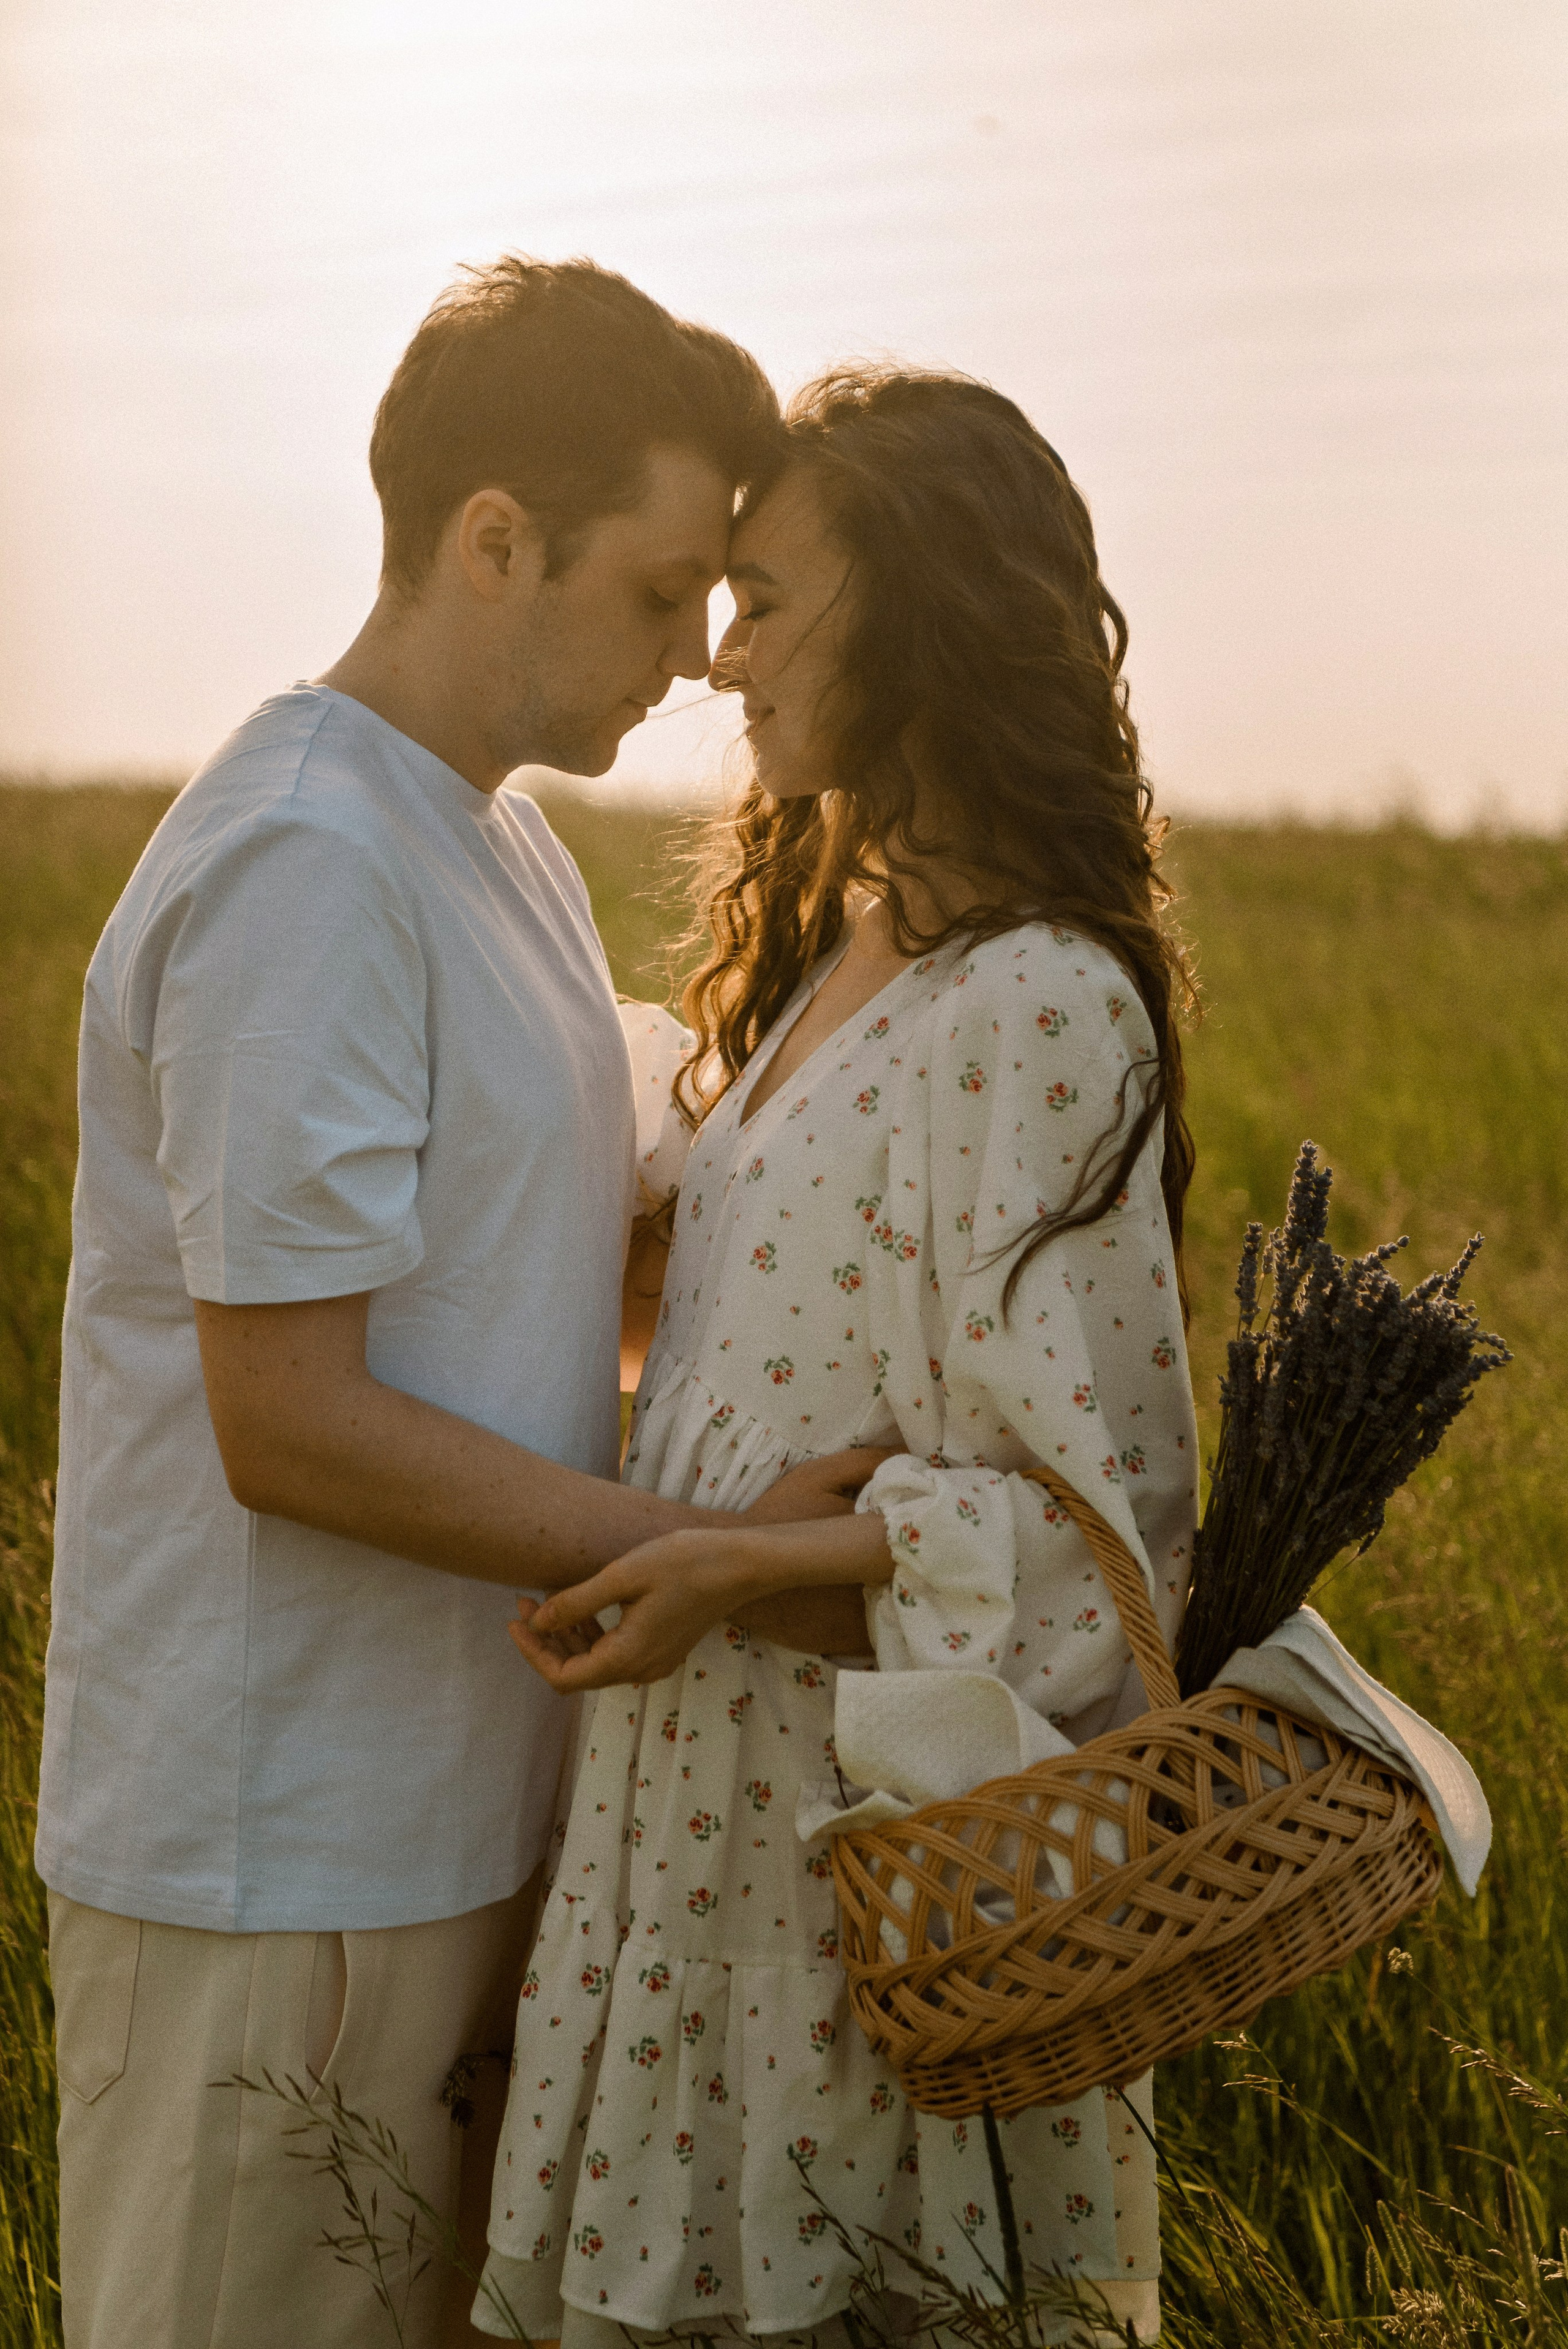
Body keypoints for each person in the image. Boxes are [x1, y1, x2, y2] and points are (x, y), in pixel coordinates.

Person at [37, 257, 866, 2349]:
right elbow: (287, 1416)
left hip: (458, 1816)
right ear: (494, 538)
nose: (694, 655)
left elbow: (522, 1287)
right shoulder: (310, 859)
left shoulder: (493, 845)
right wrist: (744, 1562)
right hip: (276, 1852)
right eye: (660, 590)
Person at [477, 368, 1200, 2349]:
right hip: (689, 1815)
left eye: (773, 597)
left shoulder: (1039, 997)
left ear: (924, 610)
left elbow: (1090, 1546)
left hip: (858, 1870)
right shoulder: (834, 950)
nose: (722, 656)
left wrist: (741, 1565)